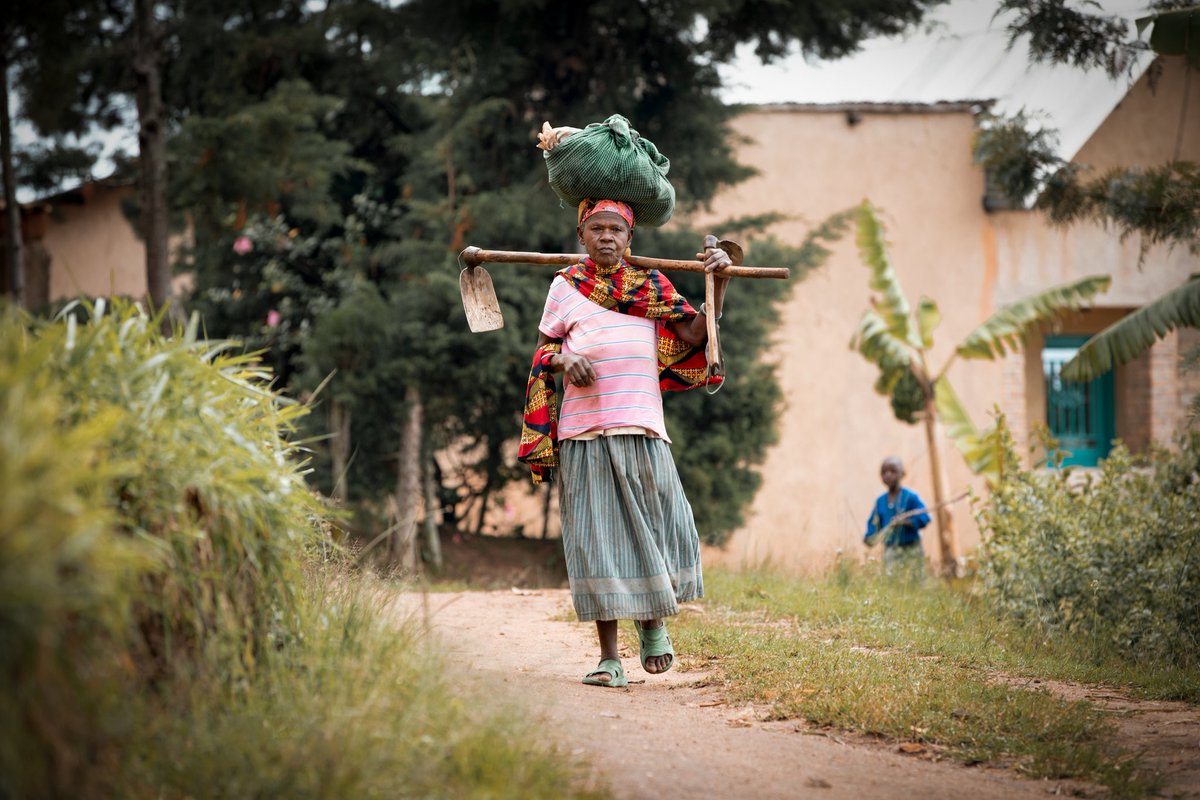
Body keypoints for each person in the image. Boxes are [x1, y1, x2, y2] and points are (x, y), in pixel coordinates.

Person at [518, 197, 732, 688]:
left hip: (641, 426)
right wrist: (562, 362)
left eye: (616, 229)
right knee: (598, 540)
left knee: (652, 527)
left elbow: (698, 335)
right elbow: (544, 349)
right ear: (582, 237)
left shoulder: (653, 285)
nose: (607, 237)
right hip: (583, 432)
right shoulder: (565, 287)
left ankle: (653, 627)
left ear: (630, 238)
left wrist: (717, 282)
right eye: (597, 229)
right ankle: (609, 658)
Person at [863, 456, 931, 568]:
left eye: (893, 471)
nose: (888, 475)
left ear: (902, 473)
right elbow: (874, 523)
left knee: (914, 577)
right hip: (890, 550)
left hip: (911, 548)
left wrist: (907, 522)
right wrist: (870, 536)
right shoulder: (880, 501)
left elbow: (925, 517)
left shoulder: (910, 497)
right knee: (892, 578)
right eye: (884, 472)